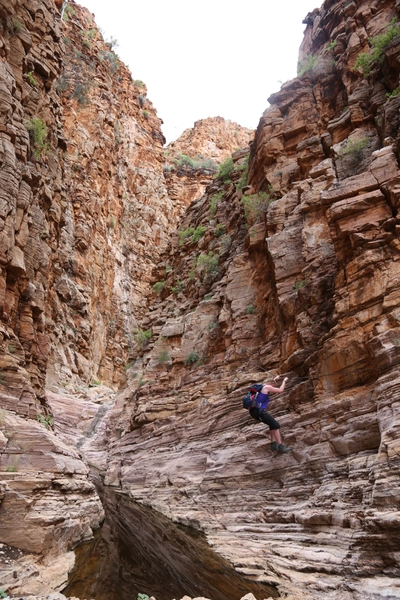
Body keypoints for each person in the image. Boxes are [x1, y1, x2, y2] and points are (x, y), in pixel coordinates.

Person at [249, 375, 291, 453]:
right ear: (270, 383)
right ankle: (280, 447)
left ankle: (273, 445)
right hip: (259, 412)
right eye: (273, 385)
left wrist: (275, 379)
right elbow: (280, 390)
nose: (273, 387)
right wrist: (284, 381)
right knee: (276, 425)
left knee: (272, 424)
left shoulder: (262, 386)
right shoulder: (267, 387)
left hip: (255, 411)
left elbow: (271, 385)